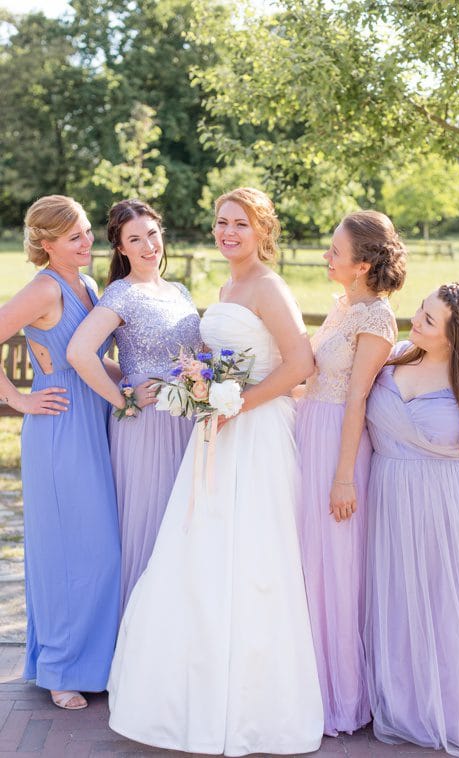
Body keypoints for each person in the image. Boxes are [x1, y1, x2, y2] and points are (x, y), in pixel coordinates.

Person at [106, 187, 324, 755]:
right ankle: (190, 698)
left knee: (252, 558)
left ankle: (251, 707)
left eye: (240, 225)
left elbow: (300, 363)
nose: (228, 233)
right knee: (197, 552)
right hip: (215, 432)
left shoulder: (269, 286)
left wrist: (235, 404)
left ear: (262, 232)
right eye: (221, 223)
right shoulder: (225, 285)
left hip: (255, 434)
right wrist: (204, 394)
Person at [364, 282, 459, 756]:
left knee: (448, 606)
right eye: (420, 311)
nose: (416, 321)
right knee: (399, 598)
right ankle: (403, 705)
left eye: (430, 319)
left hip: (453, 503)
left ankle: (447, 708)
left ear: (457, 333)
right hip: (390, 495)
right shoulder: (394, 357)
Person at [0, 195, 121, 710]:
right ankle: (59, 669)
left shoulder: (87, 285)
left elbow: (94, 358)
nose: (89, 242)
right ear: (46, 245)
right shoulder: (43, 289)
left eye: (89, 231)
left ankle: (94, 661)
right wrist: (17, 397)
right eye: (75, 237)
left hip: (95, 421)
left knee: (103, 552)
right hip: (58, 428)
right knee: (67, 551)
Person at [295, 210, 406, 736]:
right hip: (309, 430)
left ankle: (338, 695)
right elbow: (311, 377)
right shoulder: (343, 306)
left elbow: (357, 397)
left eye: (335, 251)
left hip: (341, 444)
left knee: (334, 565)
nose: (327, 256)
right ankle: (303, 680)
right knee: (306, 560)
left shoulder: (376, 320)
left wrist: (344, 478)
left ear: (363, 264)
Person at [67, 199, 201, 615]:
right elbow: (79, 352)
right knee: (150, 525)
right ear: (121, 248)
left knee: (184, 526)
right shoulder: (121, 294)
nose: (148, 246)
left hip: (187, 421)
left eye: (153, 234)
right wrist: (122, 397)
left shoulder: (178, 290)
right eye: (135, 240)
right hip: (145, 427)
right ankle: (134, 643)